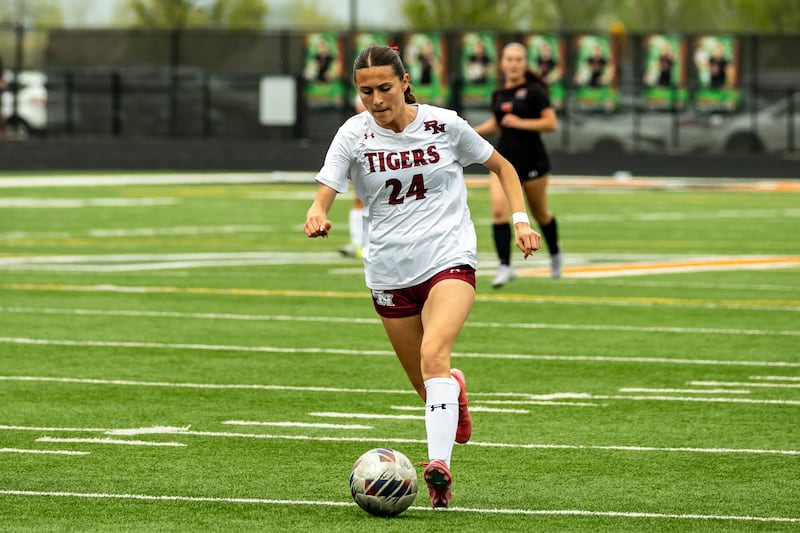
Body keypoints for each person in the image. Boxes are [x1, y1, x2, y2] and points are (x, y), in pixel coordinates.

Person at [304, 45, 541, 508]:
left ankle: (440, 471)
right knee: (426, 382)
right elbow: (324, 191)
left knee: (434, 352)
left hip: (448, 258)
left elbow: (503, 167)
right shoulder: (353, 134)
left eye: (385, 88)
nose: (375, 99)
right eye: (365, 91)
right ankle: (455, 389)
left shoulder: (444, 124)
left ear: (405, 82)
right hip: (389, 272)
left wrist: (520, 221)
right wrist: (316, 214)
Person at [474, 42, 562, 286]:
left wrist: (521, 122)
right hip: (503, 161)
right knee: (499, 212)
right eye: (509, 59)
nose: (513, 64)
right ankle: (505, 266)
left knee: (540, 214)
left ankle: (555, 254)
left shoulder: (534, 91)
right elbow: (496, 124)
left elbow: (551, 123)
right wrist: (468, 132)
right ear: (502, 64)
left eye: (518, 59)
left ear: (525, 64)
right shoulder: (499, 93)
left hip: (532, 160)